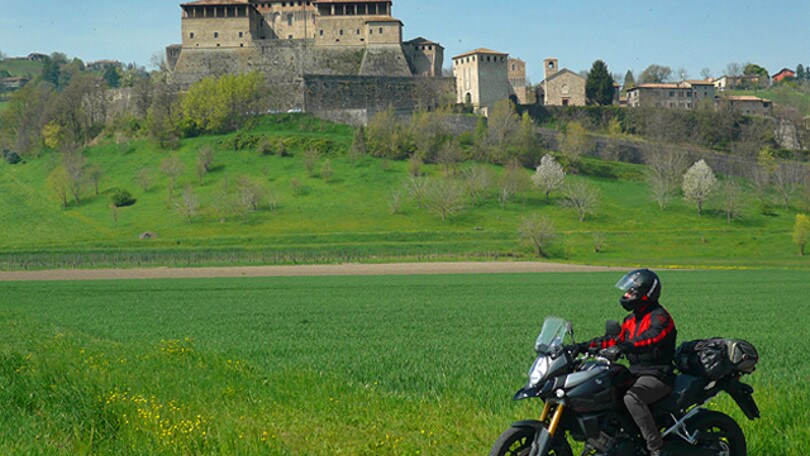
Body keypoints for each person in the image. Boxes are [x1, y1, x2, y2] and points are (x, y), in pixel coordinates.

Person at [578, 269, 677, 456]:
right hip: (635, 373)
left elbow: (651, 338)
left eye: (631, 291)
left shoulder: (660, 317)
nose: (626, 295)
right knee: (604, 391)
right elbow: (613, 340)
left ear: (645, 293)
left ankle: (656, 447)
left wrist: (626, 347)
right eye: (627, 291)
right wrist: (581, 346)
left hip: (657, 375)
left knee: (633, 398)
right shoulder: (631, 319)